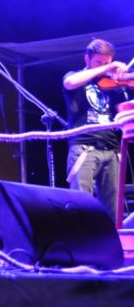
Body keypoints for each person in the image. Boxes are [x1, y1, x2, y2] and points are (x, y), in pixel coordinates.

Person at [63, 38, 130, 222]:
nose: (104, 67)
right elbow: (69, 83)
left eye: (107, 63)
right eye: (99, 62)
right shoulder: (75, 76)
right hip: (84, 148)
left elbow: (123, 112)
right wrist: (107, 68)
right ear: (87, 59)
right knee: (80, 205)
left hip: (112, 149)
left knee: (113, 210)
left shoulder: (113, 86)